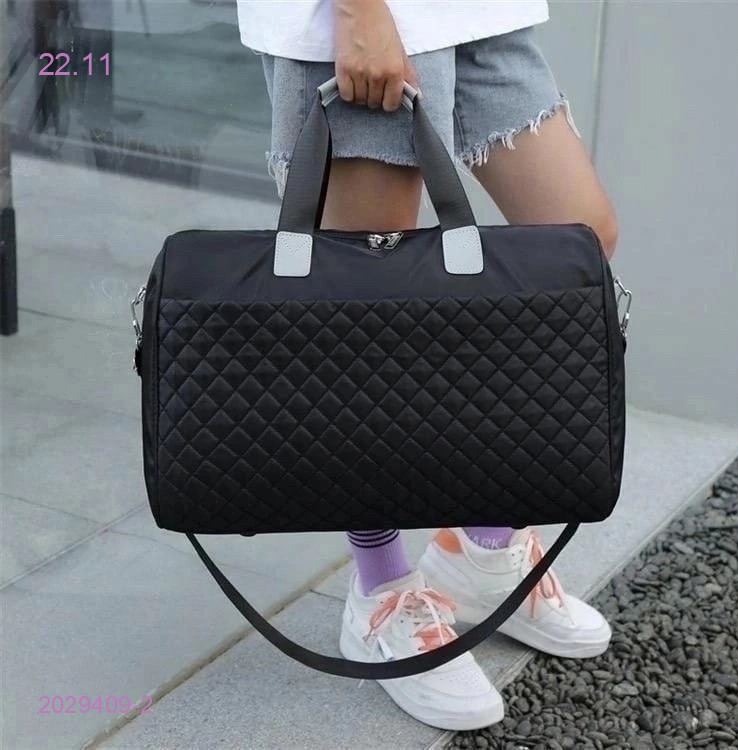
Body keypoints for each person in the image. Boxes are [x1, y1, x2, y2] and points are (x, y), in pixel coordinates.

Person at [237, 0, 618, 731]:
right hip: (367, 19)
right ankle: (380, 589)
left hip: (472, 12)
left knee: (579, 244)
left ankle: (484, 547)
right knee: (370, 304)